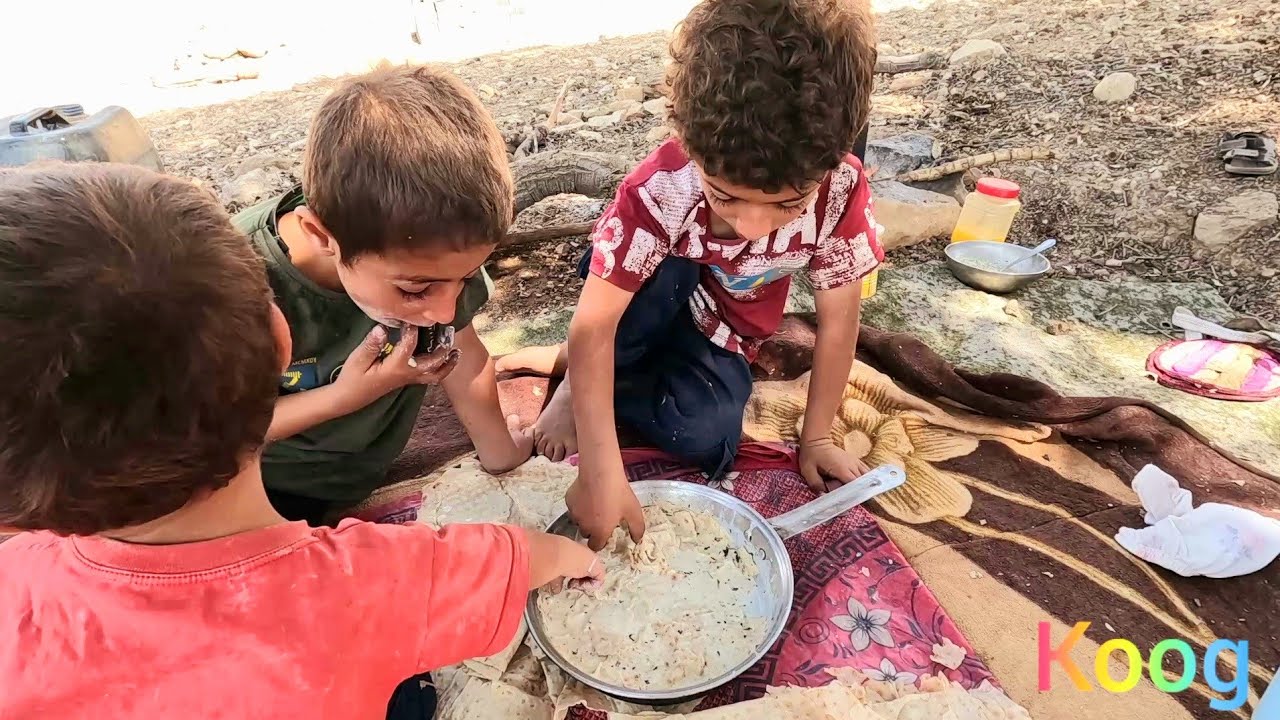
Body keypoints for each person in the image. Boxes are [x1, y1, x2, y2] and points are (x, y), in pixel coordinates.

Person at [0, 162, 602, 720]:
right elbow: (529, 557)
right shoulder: (377, 581)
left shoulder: (15, 578)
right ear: (280, 334)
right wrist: (582, 559)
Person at [498, 0, 883, 548]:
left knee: (705, 437)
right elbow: (597, 324)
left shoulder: (840, 189)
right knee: (660, 279)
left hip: (718, 326)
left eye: (788, 204)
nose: (751, 226)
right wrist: (599, 471)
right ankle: (571, 390)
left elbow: (840, 323)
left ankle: (588, 375)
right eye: (726, 196)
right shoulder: (660, 190)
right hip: (645, 297)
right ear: (692, 148)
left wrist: (816, 436)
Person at [234, 64, 532, 526]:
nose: (444, 310)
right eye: (416, 288)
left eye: (467, 276)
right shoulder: (231, 285)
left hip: (361, 475)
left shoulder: (431, 257)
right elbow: (202, 442)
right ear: (321, 235)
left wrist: (504, 460)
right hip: (261, 499)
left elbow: (466, 356)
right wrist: (346, 397)